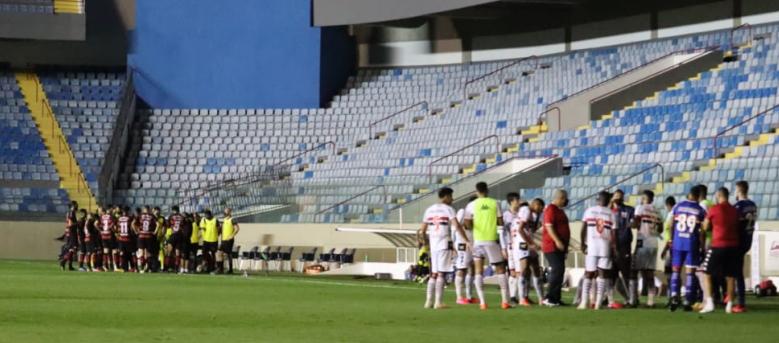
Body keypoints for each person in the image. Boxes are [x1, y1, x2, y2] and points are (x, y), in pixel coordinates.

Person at [463, 182, 510, 310]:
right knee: (500, 268)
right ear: (487, 190)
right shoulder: (495, 203)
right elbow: (500, 221)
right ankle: (505, 301)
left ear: (476, 191)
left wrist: (474, 227)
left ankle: (483, 303)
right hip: (491, 239)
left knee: (478, 271)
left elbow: (466, 223)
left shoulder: (471, 205)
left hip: (478, 240)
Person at [420, 187, 466, 309]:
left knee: (433, 274)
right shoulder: (448, 209)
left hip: (433, 245)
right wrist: (466, 240)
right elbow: (457, 226)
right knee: (441, 274)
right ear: (445, 196)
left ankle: (428, 301)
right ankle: (438, 302)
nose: (452, 199)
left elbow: (422, 230)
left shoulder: (429, 210)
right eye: (451, 196)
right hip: (443, 243)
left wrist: (426, 243)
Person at [700, 187, 740, 314]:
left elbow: (705, 227)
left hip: (717, 245)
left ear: (718, 195)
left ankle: (710, 302)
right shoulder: (735, 211)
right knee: (731, 277)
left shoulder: (714, 209)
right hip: (733, 246)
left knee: (706, 273)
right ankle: (729, 305)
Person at [667, 186, 706, 312]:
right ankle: (688, 300)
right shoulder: (700, 210)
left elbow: (672, 224)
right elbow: (702, 231)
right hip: (691, 243)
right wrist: (702, 246)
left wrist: (672, 239)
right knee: (690, 273)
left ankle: (674, 296)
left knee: (676, 270)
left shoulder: (678, 206)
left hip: (678, 243)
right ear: (698, 196)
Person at [578, 192, 617, 310]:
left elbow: (583, 228)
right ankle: (598, 303)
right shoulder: (611, 213)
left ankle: (584, 302)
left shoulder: (589, 210)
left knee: (589, 273)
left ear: (597, 199)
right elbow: (613, 233)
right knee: (602, 274)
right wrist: (614, 247)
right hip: (605, 247)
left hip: (592, 246)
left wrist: (582, 243)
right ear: (608, 200)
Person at [511, 198, 546, 306]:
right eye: (540, 207)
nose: (541, 210)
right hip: (522, 242)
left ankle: (541, 298)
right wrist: (531, 243)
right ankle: (522, 299)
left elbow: (532, 230)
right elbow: (521, 229)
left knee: (536, 268)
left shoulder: (535, 215)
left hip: (529, 242)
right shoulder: (526, 209)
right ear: (536, 204)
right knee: (524, 268)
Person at [632, 190, 662, 307]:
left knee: (634, 270)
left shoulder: (640, 208)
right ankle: (651, 300)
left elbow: (635, 223)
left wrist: (630, 224)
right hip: (653, 243)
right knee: (649, 273)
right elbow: (660, 229)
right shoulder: (657, 211)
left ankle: (634, 298)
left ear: (644, 198)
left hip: (642, 242)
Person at [542, 189, 570, 307]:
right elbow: (549, 227)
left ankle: (556, 298)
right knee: (557, 270)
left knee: (560, 271)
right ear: (560, 198)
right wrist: (557, 241)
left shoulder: (559, 211)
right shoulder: (551, 209)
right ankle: (549, 297)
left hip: (560, 246)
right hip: (551, 245)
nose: (566, 201)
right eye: (565, 199)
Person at [733, 181, 757, 313]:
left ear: (739, 190)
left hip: (739, 241)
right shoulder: (753, 205)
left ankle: (740, 302)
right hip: (749, 239)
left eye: (736, 190)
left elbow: (735, 223)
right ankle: (732, 297)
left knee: (737, 272)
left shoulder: (739, 206)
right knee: (735, 270)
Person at [610, 189, 634, 307]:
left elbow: (634, 223)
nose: (618, 198)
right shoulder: (608, 211)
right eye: (616, 196)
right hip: (609, 247)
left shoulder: (629, 210)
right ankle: (608, 298)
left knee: (625, 273)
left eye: (621, 196)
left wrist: (633, 223)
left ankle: (631, 299)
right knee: (611, 274)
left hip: (624, 245)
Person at [454, 196, 477, 305]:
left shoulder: (477, 214)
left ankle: (469, 296)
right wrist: (454, 243)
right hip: (462, 243)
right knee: (461, 268)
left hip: (471, 243)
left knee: (471, 268)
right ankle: (459, 297)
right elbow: (455, 227)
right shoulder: (463, 212)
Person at [501, 192, 521, 304]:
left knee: (520, 271)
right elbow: (501, 233)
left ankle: (518, 296)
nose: (518, 202)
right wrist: (503, 247)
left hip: (519, 246)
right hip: (510, 246)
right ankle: (512, 296)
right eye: (517, 200)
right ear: (511, 201)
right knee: (513, 272)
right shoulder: (505, 216)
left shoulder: (520, 214)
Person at [661, 196, 676, 299]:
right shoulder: (672, 214)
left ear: (668, 205)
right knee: (671, 271)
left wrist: (665, 248)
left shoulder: (672, 215)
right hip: (671, 245)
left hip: (670, 246)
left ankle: (671, 294)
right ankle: (672, 294)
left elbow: (671, 232)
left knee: (670, 271)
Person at [58, 201, 79, 271]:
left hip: (70, 232)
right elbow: (70, 224)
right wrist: (78, 223)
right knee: (73, 248)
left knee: (72, 249)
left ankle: (69, 266)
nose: (77, 206)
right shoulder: (71, 212)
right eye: (76, 205)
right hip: (72, 233)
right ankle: (63, 261)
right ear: (73, 205)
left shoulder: (69, 212)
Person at [219, 208, 240, 274]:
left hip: (228, 240)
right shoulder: (224, 220)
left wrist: (231, 236)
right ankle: (221, 269)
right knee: (220, 253)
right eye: (224, 211)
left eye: (226, 211)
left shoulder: (232, 219)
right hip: (223, 240)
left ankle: (230, 269)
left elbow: (237, 229)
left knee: (228, 254)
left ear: (229, 212)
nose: (225, 212)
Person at [166, 206, 186, 273]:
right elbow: (184, 226)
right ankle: (176, 268)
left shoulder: (171, 216)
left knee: (169, 251)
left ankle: (167, 267)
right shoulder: (182, 217)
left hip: (173, 235)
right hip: (180, 236)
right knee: (178, 253)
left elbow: (168, 225)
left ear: (173, 210)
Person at [138, 206, 158, 273]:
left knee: (142, 252)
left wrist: (136, 231)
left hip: (141, 235)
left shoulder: (140, 215)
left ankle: (142, 268)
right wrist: (155, 232)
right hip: (149, 235)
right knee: (148, 253)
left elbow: (133, 223)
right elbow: (158, 224)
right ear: (149, 209)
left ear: (144, 209)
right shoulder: (151, 216)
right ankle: (147, 267)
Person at [98, 206, 118, 272]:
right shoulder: (111, 217)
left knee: (106, 251)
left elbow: (99, 225)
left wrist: (101, 230)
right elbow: (113, 225)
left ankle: (105, 266)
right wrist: (114, 231)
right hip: (110, 235)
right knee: (114, 250)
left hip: (104, 236)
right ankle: (115, 266)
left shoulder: (101, 217)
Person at [200, 210, 221, 274]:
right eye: (205, 215)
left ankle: (213, 268)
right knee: (204, 253)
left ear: (210, 214)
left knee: (213, 254)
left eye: (207, 215)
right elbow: (202, 228)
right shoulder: (203, 220)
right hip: (206, 240)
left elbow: (219, 228)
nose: (206, 216)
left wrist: (217, 235)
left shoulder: (215, 220)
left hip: (214, 240)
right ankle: (206, 265)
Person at [116, 207, 134, 272]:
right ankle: (132, 267)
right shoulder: (130, 218)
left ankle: (124, 268)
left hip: (121, 239)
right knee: (130, 254)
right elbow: (132, 227)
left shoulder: (119, 219)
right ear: (128, 212)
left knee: (123, 254)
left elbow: (117, 228)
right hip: (128, 238)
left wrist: (118, 234)